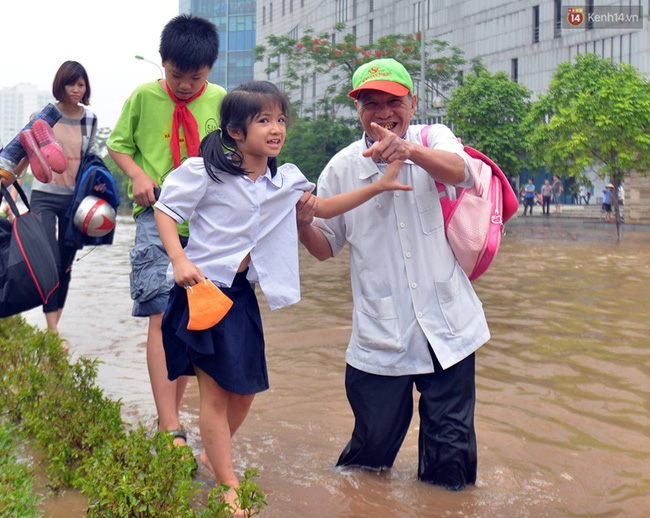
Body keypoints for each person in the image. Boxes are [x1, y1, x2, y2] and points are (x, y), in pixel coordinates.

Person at [153, 81, 410, 512]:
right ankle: (228, 486)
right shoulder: (207, 172)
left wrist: (380, 186)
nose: (276, 129)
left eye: (281, 120)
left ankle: (211, 455)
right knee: (214, 394)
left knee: (246, 390)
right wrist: (179, 260)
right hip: (201, 293)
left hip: (240, 298)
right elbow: (165, 210)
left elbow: (325, 209)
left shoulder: (283, 182)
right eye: (264, 121)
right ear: (236, 131)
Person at [296, 58, 490, 491]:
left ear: (412, 103)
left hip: (449, 328)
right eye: (370, 104)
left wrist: (409, 152)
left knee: (451, 460)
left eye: (393, 102)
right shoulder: (343, 167)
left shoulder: (435, 140)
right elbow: (326, 248)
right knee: (368, 458)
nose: (383, 113)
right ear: (358, 111)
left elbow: (464, 173)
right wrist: (303, 223)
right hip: (380, 336)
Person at [107, 15, 226, 448]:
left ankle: (175, 418)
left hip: (210, 226)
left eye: (195, 77)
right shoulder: (142, 97)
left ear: (209, 70)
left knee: (192, 320)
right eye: (176, 75)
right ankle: (169, 425)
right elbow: (117, 144)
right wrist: (138, 175)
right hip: (157, 217)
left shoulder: (222, 100)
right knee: (160, 310)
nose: (185, 85)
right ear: (163, 62)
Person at [27, 61, 98, 351]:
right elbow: (26, 150)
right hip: (43, 194)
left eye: (81, 84)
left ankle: (55, 324)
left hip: (74, 199)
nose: (76, 89)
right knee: (48, 259)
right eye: (72, 84)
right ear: (61, 84)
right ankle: (52, 329)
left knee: (65, 264)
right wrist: (9, 179)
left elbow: (89, 158)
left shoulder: (90, 119)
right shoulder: (43, 116)